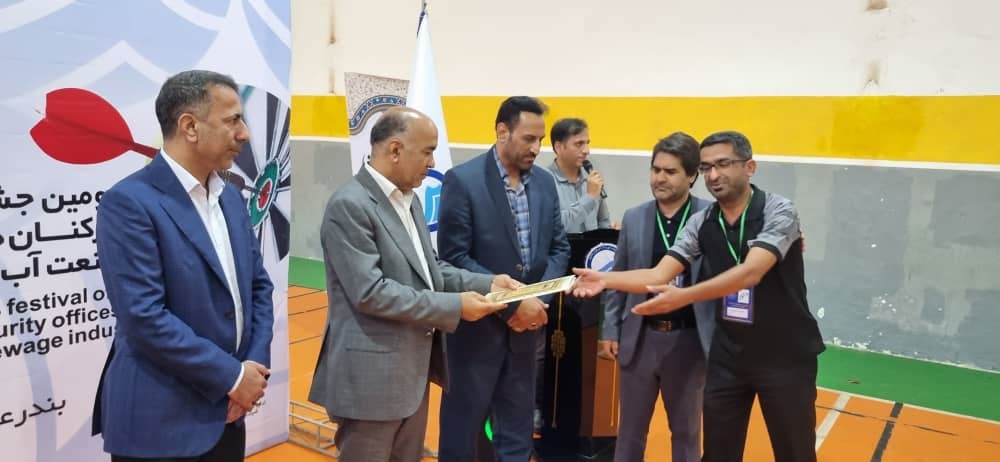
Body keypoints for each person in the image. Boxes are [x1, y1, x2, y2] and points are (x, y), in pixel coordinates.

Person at [574, 130, 823, 462]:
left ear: (749, 167)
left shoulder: (779, 210)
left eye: (723, 164)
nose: (713, 175)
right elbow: (658, 274)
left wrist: (683, 296)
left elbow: (751, 272)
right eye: (707, 167)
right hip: (729, 356)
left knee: (794, 452)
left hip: (784, 355)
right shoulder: (702, 221)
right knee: (717, 453)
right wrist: (604, 278)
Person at [307, 107, 518, 462]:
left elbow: (430, 270)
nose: (433, 162)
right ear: (395, 150)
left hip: (411, 375)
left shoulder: (410, 201)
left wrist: (488, 283)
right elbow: (371, 292)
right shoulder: (350, 205)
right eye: (427, 151)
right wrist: (455, 307)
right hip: (371, 381)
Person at [92, 69, 275, 461]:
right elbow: (144, 316)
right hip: (162, 423)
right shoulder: (129, 203)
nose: (244, 134)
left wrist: (253, 368)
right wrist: (232, 377)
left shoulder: (230, 198)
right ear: (190, 126)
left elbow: (259, 286)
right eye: (233, 120)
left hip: (229, 413)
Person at [437, 96, 571, 461]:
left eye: (540, 140)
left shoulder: (544, 183)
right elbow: (454, 258)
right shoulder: (463, 181)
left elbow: (558, 248)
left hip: (528, 331)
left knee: (517, 434)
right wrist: (512, 306)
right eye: (528, 138)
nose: (536, 148)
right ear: (502, 131)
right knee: (462, 435)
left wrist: (536, 302)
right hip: (476, 334)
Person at [598, 132, 714, 462]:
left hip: (689, 342)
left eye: (670, 171)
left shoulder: (711, 217)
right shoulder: (635, 217)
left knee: (687, 434)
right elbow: (619, 277)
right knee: (630, 433)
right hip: (640, 340)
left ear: (692, 176)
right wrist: (610, 329)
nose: (660, 178)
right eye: (656, 169)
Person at [546, 118, 612, 233]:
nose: (586, 150)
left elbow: (603, 221)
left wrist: (611, 233)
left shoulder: (591, 179)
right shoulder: (545, 181)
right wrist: (589, 198)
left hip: (592, 245)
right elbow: (554, 226)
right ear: (558, 147)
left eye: (587, 143)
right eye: (579, 144)